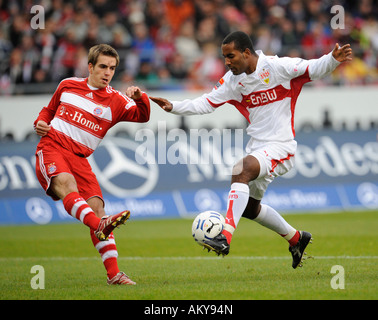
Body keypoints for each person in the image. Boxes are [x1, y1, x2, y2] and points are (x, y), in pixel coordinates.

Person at [150, 31, 352, 269]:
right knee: (249, 208)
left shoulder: (277, 67)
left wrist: (333, 58)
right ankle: (297, 238)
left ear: (247, 52)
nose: (227, 62)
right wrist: (173, 106)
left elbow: (313, 68)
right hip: (258, 147)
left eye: (231, 56)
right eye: (224, 57)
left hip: (281, 147)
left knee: (240, 169)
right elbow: (206, 102)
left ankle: (224, 235)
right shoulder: (233, 81)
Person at [34, 44, 151, 284]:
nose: (107, 72)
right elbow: (48, 111)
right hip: (53, 147)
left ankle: (114, 275)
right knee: (66, 184)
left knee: (98, 207)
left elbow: (143, 115)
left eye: (112, 68)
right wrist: (40, 122)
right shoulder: (67, 85)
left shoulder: (117, 100)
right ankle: (101, 225)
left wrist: (141, 98)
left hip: (80, 159)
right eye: (103, 67)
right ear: (90, 66)